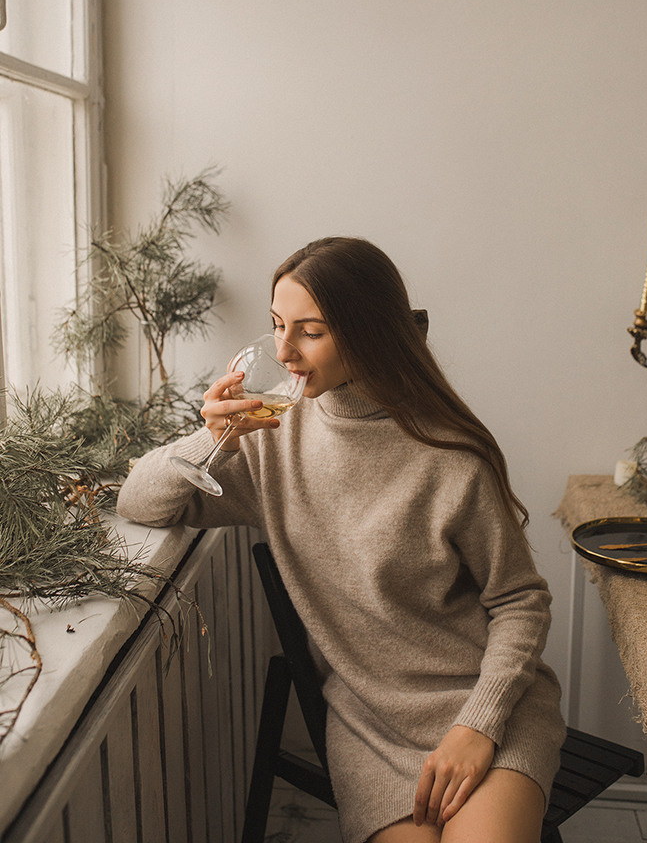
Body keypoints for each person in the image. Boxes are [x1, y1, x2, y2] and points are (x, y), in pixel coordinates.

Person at [117, 236, 565, 843]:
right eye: (277, 325)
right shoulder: (274, 441)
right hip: (371, 726)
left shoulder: (450, 456)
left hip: (488, 705)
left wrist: (478, 726)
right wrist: (212, 437)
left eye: (310, 331)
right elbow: (138, 501)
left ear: (367, 332)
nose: (284, 350)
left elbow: (520, 603)